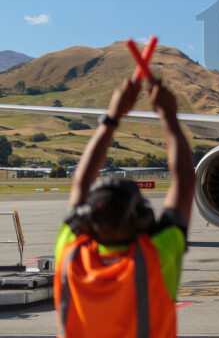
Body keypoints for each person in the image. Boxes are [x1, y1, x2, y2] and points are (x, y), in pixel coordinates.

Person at [54, 77, 196, 338]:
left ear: (87, 220)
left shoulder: (71, 255)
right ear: (142, 219)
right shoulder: (156, 258)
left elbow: (81, 182)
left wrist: (112, 116)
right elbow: (185, 181)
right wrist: (168, 116)